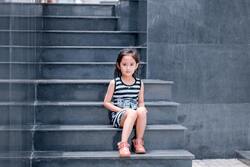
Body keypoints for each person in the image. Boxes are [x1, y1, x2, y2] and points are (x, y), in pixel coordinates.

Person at [103, 48, 147, 157]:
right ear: (119, 65)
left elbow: (141, 102)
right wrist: (122, 110)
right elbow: (106, 103)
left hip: (134, 114)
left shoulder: (139, 83)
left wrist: (143, 108)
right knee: (131, 112)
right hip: (120, 115)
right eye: (124, 64)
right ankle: (123, 145)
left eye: (131, 64)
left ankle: (138, 142)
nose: (128, 68)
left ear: (136, 66)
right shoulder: (115, 82)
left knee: (141, 110)